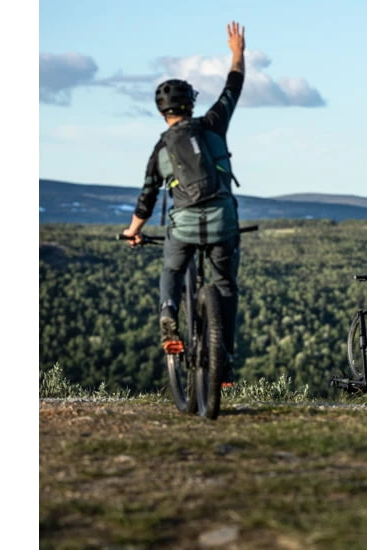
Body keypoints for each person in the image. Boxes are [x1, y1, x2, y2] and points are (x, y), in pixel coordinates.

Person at [122, 21, 246, 384]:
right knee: (224, 287)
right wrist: (237, 53)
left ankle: (168, 313)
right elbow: (232, 87)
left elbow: (146, 199)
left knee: (173, 271)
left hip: (184, 227)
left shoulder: (161, 149)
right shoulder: (213, 125)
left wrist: (133, 232)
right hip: (223, 222)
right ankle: (224, 358)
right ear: (191, 105)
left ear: (163, 112)